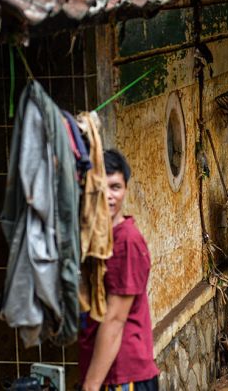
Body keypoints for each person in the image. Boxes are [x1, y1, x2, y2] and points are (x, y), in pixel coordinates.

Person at [79, 149, 159, 391]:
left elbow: (114, 319)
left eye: (115, 187)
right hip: (108, 372)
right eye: (101, 187)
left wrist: (91, 386)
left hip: (123, 376)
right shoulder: (100, 239)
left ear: (125, 189)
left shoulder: (127, 241)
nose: (109, 196)